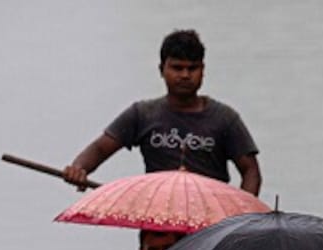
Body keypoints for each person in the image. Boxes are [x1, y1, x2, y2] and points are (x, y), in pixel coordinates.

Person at [61, 29, 262, 195]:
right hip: (159, 226)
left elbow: (250, 171)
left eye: (192, 68)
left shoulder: (225, 119)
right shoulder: (143, 114)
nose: (185, 75)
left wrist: (240, 216)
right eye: (177, 68)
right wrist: (79, 168)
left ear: (203, 70)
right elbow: (100, 148)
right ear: (161, 70)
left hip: (209, 226)